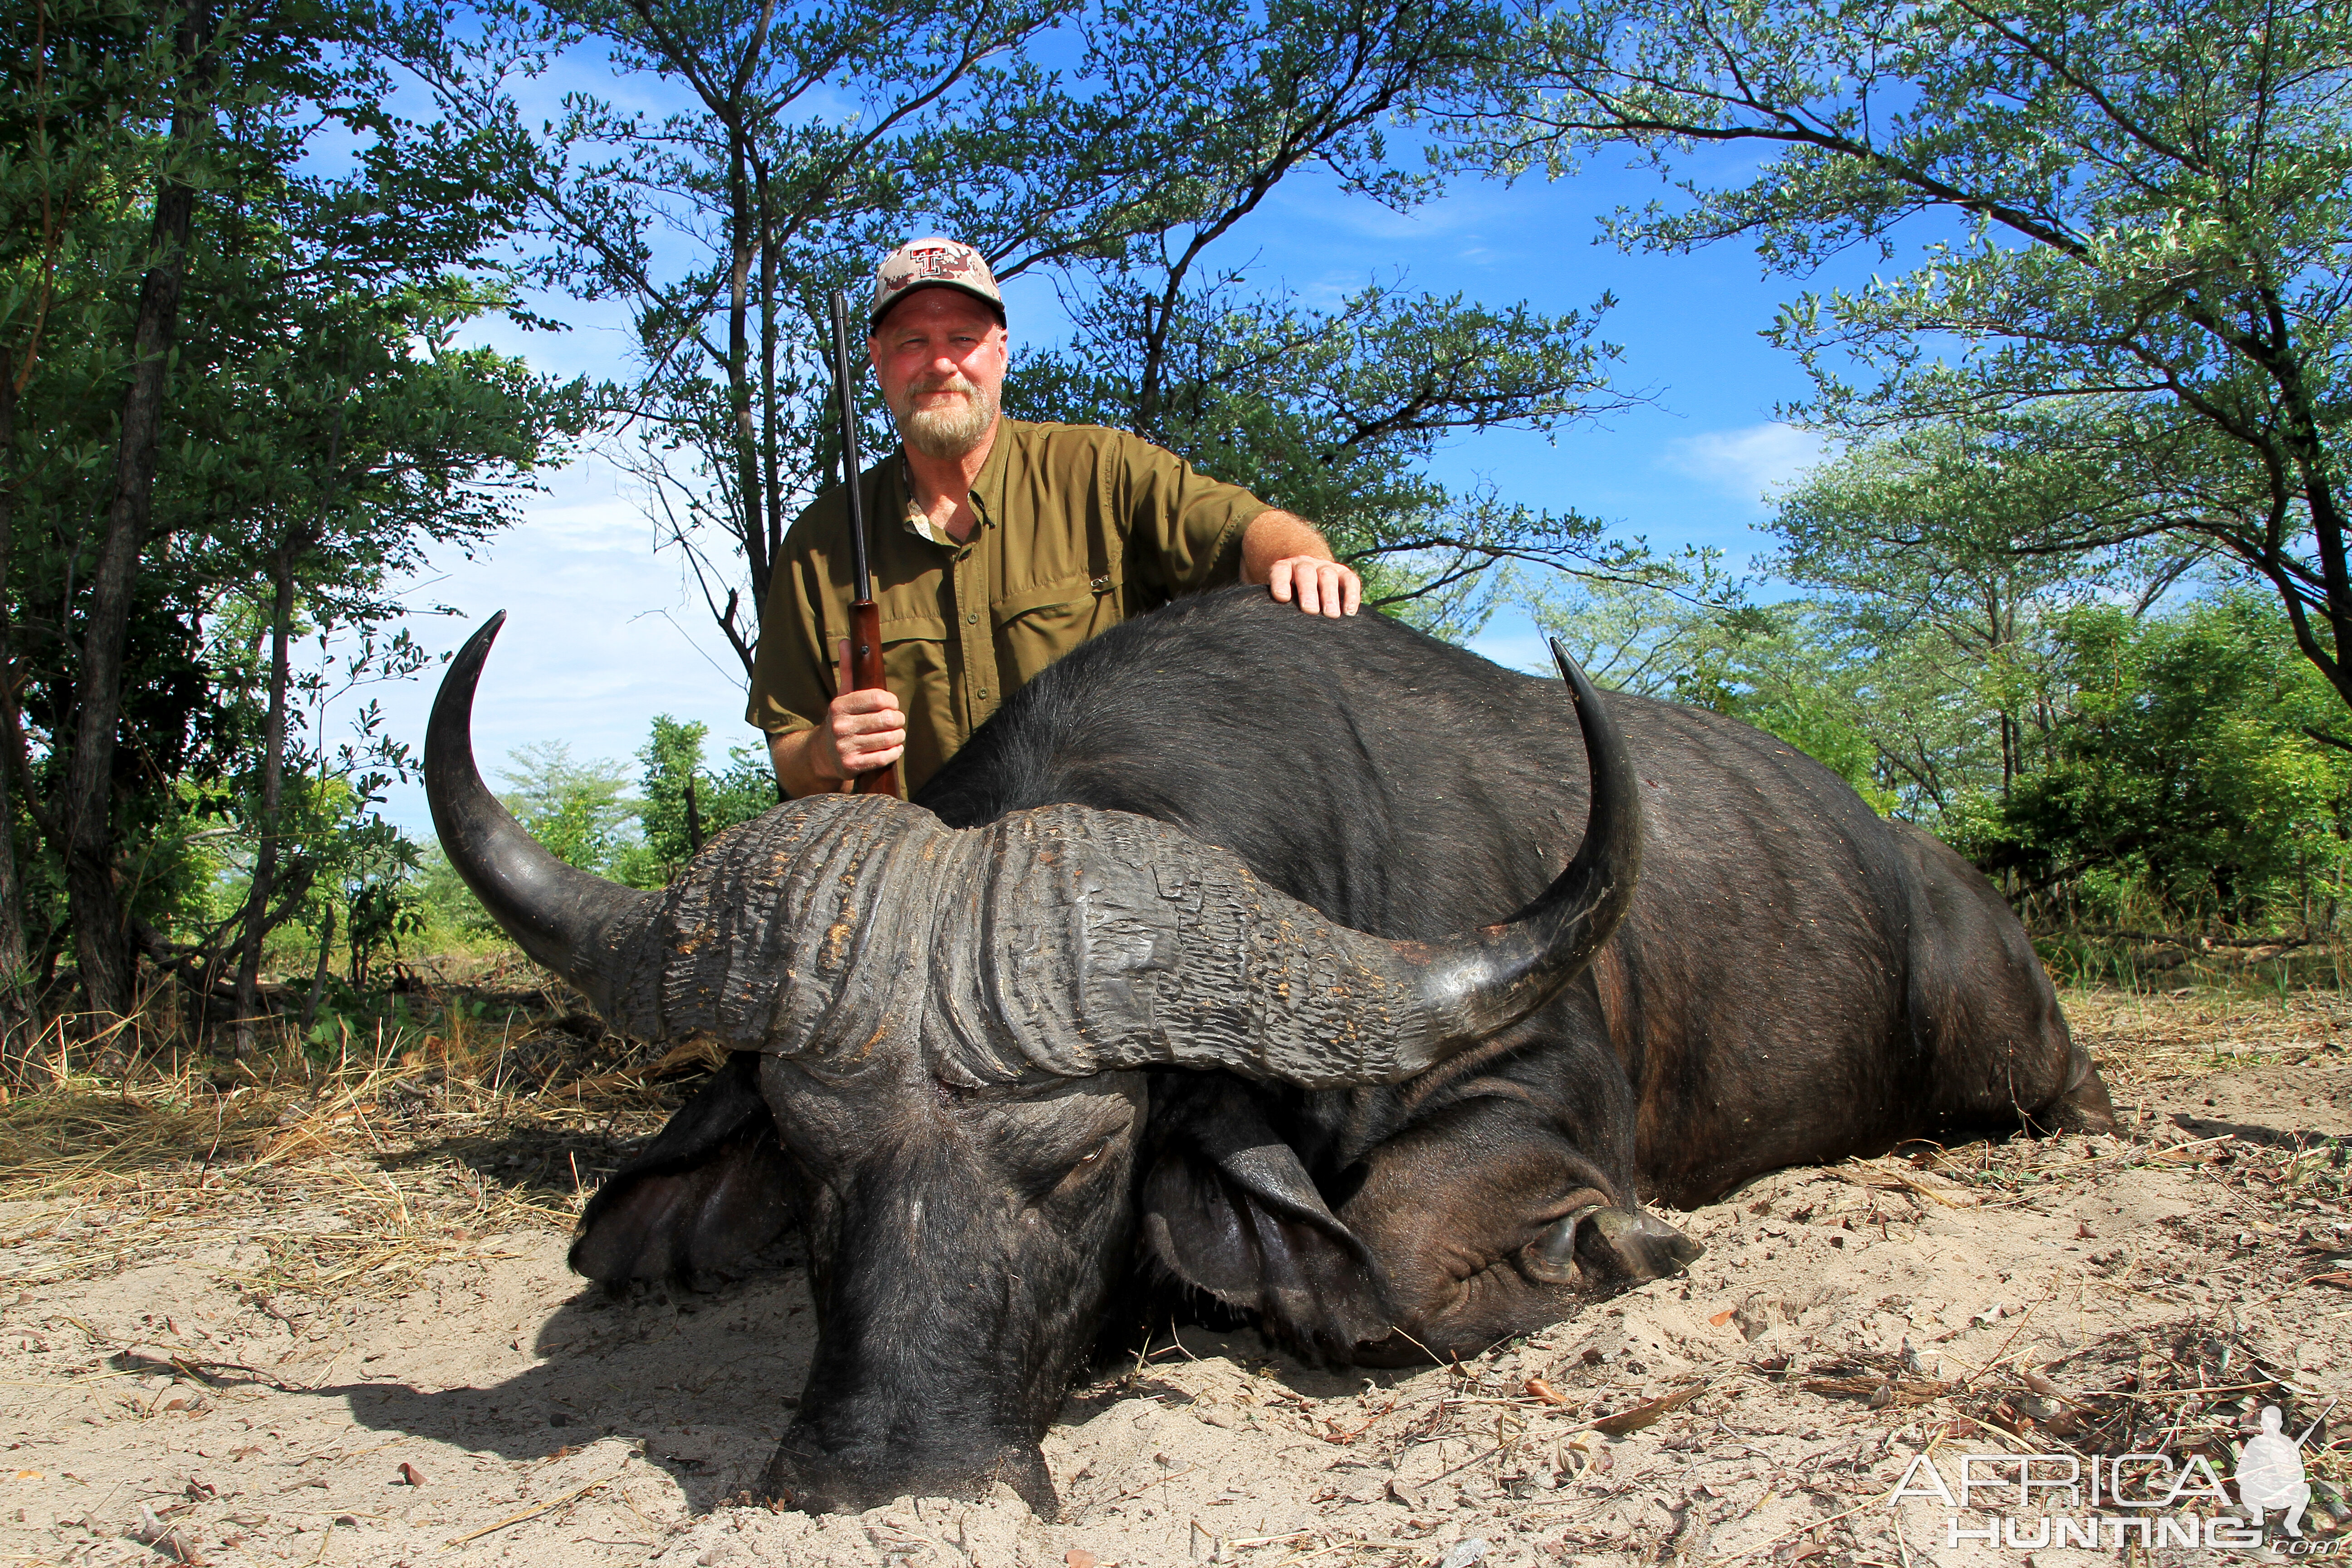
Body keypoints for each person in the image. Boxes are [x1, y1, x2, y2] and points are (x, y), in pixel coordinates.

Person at [748, 236, 1363, 799]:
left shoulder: (1102, 469)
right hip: (919, 897)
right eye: (914, 343)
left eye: (962, 339)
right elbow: (789, 758)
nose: (940, 364)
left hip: (1101, 885)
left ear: (1000, 352)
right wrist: (827, 753)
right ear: (879, 361)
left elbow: (1244, 529)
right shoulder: (819, 544)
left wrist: (1301, 561)